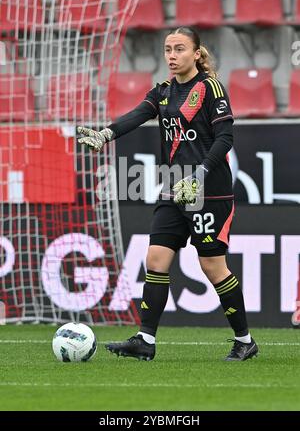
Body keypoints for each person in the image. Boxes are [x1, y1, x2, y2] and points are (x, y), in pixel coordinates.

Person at [78, 26, 258, 362]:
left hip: (209, 191)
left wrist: (199, 177)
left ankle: (244, 340)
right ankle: (145, 340)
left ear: (196, 53)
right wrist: (104, 135)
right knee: (156, 259)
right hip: (174, 187)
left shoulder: (210, 88)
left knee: (213, 267)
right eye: (167, 49)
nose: (172, 56)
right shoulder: (163, 92)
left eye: (179, 49)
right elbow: (136, 116)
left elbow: (225, 139)